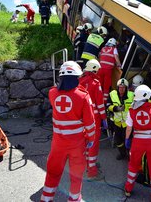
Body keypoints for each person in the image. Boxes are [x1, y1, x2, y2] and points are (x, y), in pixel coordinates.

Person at [41, 61, 96, 202]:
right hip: (77, 144)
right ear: (77, 77)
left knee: (53, 172)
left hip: (58, 144)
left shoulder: (52, 93)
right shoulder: (83, 96)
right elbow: (90, 124)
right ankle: (74, 199)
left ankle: (46, 198)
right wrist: (91, 139)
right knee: (76, 175)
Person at [124, 85, 151, 202]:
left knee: (133, 166)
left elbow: (129, 128)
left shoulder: (131, 110)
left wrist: (127, 139)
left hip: (137, 142)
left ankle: (128, 189)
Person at [79, 59, 107, 181]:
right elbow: (100, 104)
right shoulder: (96, 83)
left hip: (81, 118)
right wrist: (104, 118)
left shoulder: (79, 81)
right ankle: (92, 171)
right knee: (93, 143)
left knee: (85, 142)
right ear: (95, 69)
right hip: (94, 117)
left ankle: (88, 164)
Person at [107, 78, 134, 160]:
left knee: (128, 140)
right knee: (118, 141)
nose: (121, 89)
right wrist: (116, 108)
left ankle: (129, 155)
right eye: (120, 87)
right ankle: (122, 154)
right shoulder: (112, 94)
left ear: (126, 88)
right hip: (117, 122)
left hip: (127, 124)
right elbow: (108, 106)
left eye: (123, 87)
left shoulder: (132, 95)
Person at [98, 38, 121, 103]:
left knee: (99, 84)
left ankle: (97, 97)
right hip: (108, 70)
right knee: (106, 86)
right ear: (114, 44)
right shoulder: (114, 49)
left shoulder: (102, 49)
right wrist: (119, 65)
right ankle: (104, 101)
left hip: (100, 69)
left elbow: (100, 57)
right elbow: (116, 58)